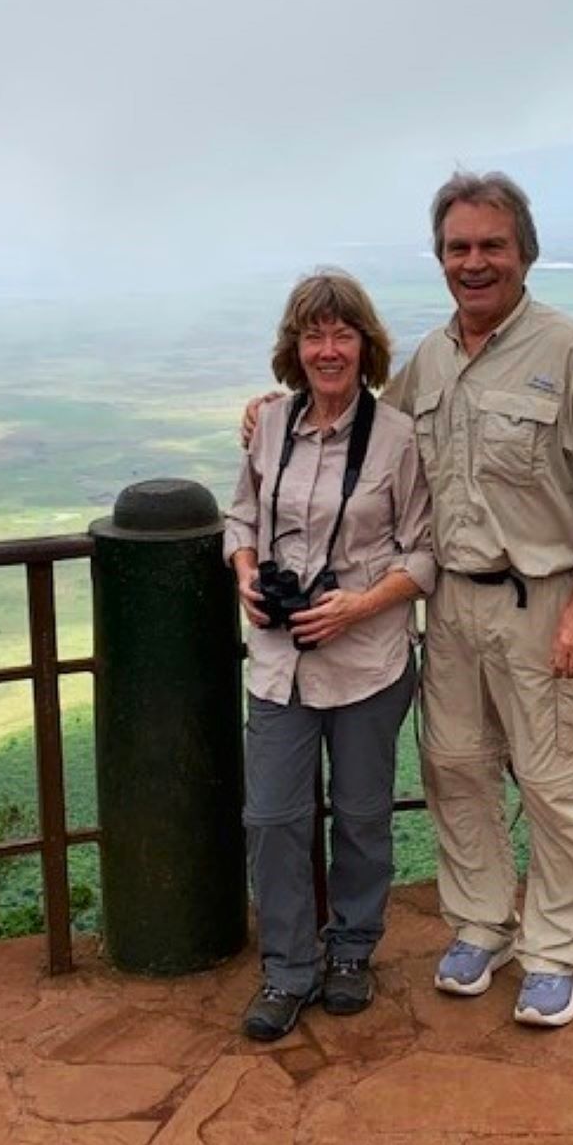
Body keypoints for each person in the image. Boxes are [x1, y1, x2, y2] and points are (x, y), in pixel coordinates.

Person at [244, 173, 573, 1028]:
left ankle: (554, 951)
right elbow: (358, 427)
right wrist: (269, 406)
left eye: (491, 247)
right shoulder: (430, 364)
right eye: (458, 248)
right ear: (440, 259)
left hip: (543, 600)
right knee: (456, 772)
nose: (474, 263)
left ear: (524, 254)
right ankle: (482, 923)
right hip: (450, 609)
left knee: (553, 783)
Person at [224, 270, 434, 1042]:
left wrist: (362, 604)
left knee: (361, 815)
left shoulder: (398, 438)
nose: (327, 348)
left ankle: (351, 950)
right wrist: (246, 576)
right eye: (313, 334)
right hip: (280, 662)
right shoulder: (269, 426)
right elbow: (240, 518)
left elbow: (425, 551)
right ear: (294, 348)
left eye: (342, 334)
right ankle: (286, 969)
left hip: (368, 660)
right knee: (273, 816)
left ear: (365, 345)